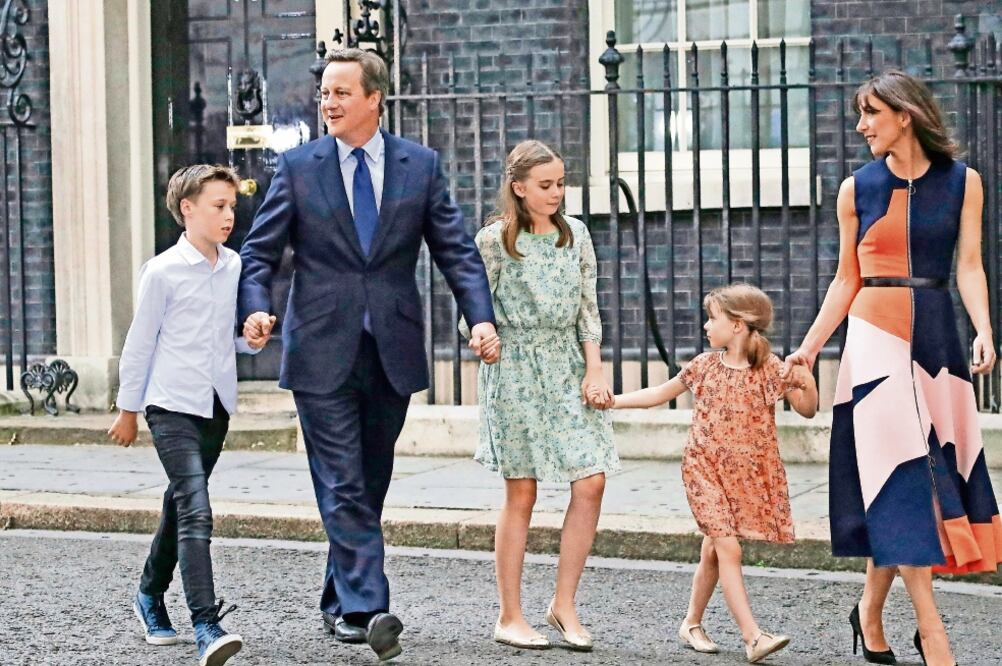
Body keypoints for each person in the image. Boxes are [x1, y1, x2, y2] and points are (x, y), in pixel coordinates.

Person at [238, 48, 498, 662]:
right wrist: (254, 306)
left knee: (368, 483)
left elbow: (456, 251)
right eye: (324, 93)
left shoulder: (420, 166)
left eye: (340, 93)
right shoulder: (298, 168)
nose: (327, 102)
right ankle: (368, 608)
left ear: (374, 99)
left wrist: (480, 317)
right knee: (343, 482)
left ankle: (338, 600)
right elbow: (259, 253)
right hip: (320, 348)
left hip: (390, 346)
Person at [783, 70, 1001, 666]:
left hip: (936, 336)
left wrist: (984, 329)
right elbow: (846, 279)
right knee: (904, 473)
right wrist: (807, 348)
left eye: (871, 113)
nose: (861, 125)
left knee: (921, 476)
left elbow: (971, 267)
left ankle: (870, 614)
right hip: (874, 337)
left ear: (905, 114)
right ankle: (933, 632)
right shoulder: (857, 189)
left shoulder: (965, 183)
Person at [606, 283, 817, 664]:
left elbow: (806, 408)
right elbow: (659, 393)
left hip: (745, 473)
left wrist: (808, 383)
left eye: (712, 318)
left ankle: (691, 623)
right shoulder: (703, 365)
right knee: (728, 547)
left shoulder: (770, 368)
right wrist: (613, 402)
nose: (705, 325)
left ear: (738, 325)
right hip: (703, 468)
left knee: (714, 552)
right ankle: (753, 637)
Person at [463, 139, 619, 652]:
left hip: (568, 365)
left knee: (591, 480)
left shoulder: (576, 235)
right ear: (519, 187)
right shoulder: (495, 240)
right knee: (522, 491)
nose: (556, 193)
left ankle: (563, 604)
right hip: (515, 368)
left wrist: (595, 369)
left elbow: (588, 307)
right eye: (546, 185)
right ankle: (510, 615)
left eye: (561, 183)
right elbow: (475, 305)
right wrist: (480, 335)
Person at [108, 164, 266, 666]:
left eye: (231, 206)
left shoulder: (233, 264)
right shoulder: (161, 271)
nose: (228, 215)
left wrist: (250, 338)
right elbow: (140, 343)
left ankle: (148, 595)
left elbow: (225, 336)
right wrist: (127, 409)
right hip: (169, 403)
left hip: (215, 404)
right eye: (218, 206)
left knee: (180, 503)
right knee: (196, 508)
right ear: (187, 209)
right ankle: (206, 623)